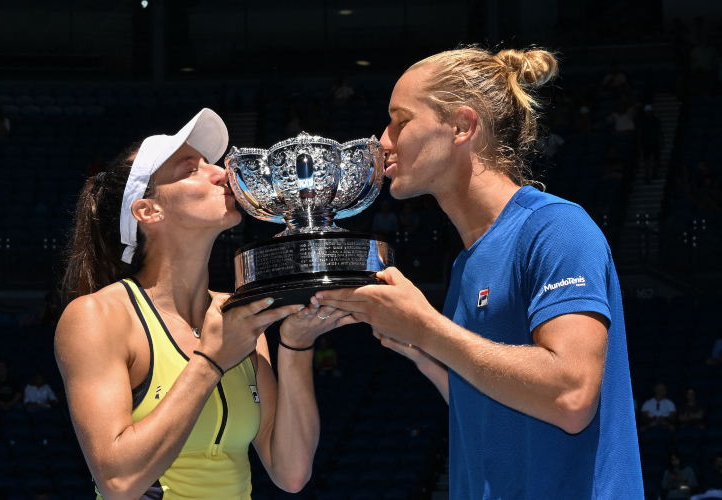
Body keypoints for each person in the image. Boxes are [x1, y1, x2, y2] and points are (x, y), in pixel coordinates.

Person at [312, 47, 643, 498]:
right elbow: (494, 410)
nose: (383, 141)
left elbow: (570, 396)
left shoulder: (557, 228)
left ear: (463, 126)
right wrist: (421, 353)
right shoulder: (467, 263)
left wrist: (427, 328)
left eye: (400, 121)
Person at [55, 109, 355, 500]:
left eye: (209, 164)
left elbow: (291, 471)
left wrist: (297, 345)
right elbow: (118, 482)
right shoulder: (96, 316)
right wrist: (211, 360)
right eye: (190, 168)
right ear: (149, 211)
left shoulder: (239, 313)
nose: (220, 173)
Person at [637, 104, 663, 183]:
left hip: (655, 142)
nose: (648, 113)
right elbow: (639, 133)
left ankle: (654, 174)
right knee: (647, 160)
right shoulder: (642, 121)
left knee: (656, 160)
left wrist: (662, 141)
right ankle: (647, 176)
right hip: (646, 143)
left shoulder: (656, 120)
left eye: (649, 111)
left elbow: (660, 131)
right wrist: (639, 143)